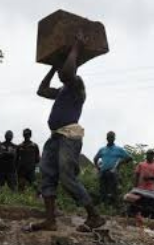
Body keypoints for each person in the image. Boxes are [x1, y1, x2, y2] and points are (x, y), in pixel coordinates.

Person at [31, 32, 104, 232]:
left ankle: (94, 216)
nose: (61, 71)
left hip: (69, 136)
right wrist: (53, 67)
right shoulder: (62, 91)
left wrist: (77, 47)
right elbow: (41, 90)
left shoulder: (77, 84)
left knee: (67, 177)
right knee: (47, 175)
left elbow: (67, 74)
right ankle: (50, 220)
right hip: (55, 137)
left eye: (65, 66)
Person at [93, 131, 132, 206]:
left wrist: (120, 163)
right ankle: (104, 207)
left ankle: (114, 207)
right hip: (103, 172)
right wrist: (98, 168)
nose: (110, 138)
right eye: (109, 136)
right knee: (102, 190)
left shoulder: (118, 149)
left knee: (114, 190)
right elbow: (95, 159)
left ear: (114, 138)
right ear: (106, 138)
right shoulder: (102, 149)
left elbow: (129, 158)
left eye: (112, 137)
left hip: (113, 172)